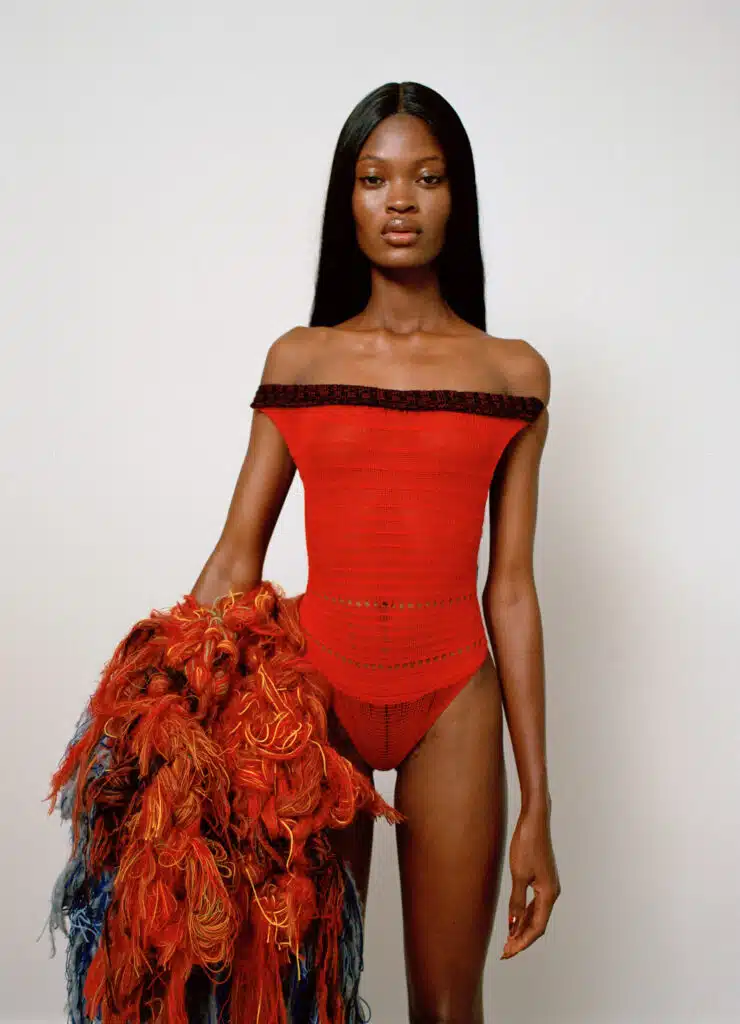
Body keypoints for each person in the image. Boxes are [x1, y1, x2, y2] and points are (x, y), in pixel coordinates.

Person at [45, 81, 560, 1024]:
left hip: (454, 698)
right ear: (347, 198)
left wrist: (540, 806)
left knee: (450, 1008)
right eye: (374, 178)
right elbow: (237, 557)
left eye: (426, 177)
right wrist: (148, 715)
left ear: (458, 197)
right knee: (307, 1000)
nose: (399, 200)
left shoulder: (513, 374)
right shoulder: (300, 359)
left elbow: (513, 590)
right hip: (314, 706)